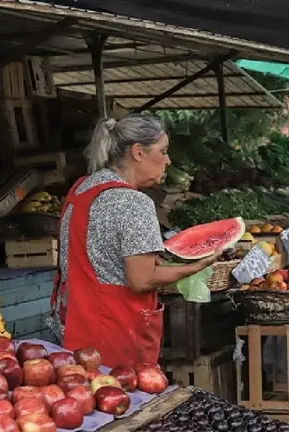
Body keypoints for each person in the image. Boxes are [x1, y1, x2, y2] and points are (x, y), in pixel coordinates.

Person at [48, 115, 220, 368]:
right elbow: (141, 280)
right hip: (113, 331)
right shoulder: (134, 202)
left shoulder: (82, 188)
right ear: (138, 152)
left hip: (72, 322)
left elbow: (96, 254)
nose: (168, 160)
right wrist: (193, 268)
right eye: (163, 151)